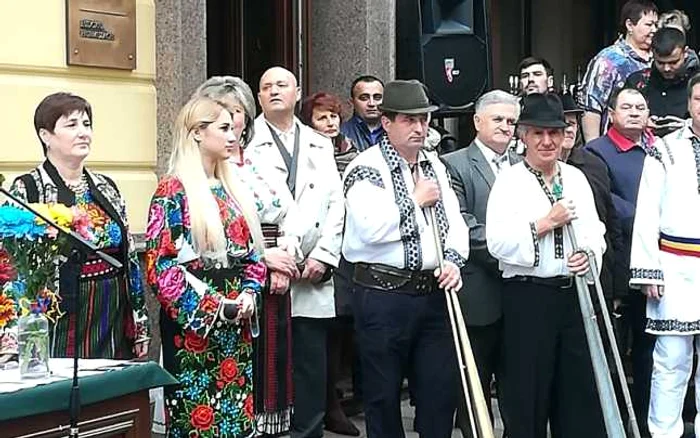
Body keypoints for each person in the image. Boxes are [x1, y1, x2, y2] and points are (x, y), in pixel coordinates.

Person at [343, 79, 469, 438]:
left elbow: (455, 223)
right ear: (386, 122)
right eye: (409, 120)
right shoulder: (364, 167)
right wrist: (414, 200)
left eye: (424, 120)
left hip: (432, 294)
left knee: (438, 395)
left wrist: (454, 262)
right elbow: (369, 228)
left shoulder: (435, 166)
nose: (419, 128)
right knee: (382, 398)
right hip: (383, 295)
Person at [145, 94, 267, 437]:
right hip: (195, 327)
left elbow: (254, 257)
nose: (234, 136)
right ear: (198, 132)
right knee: (197, 417)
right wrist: (215, 308)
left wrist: (248, 295)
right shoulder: (173, 189)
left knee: (235, 415)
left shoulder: (233, 187)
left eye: (235, 129)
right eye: (224, 128)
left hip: (237, 323)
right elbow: (161, 265)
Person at [486, 93, 606, 438]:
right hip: (528, 298)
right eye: (538, 133)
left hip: (572, 298)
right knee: (528, 394)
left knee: (578, 395)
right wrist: (544, 223)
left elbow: (596, 232)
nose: (547, 141)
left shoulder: (576, 178)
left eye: (554, 133)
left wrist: (588, 255)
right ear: (523, 136)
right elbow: (497, 243)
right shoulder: (510, 180)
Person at [2, 92, 149, 360]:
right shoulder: (27, 188)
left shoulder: (106, 186)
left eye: (86, 124)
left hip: (110, 308)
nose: (83, 133)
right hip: (59, 313)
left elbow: (129, 257)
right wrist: (13, 336)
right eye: (71, 125)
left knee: (110, 392)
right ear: (45, 136)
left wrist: (139, 322)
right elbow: (12, 266)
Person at [195, 76, 301, 437]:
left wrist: (287, 253)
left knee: (274, 370)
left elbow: (290, 212)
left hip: (272, 278)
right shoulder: (195, 176)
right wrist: (262, 256)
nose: (233, 121)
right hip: (233, 282)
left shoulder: (258, 162)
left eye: (238, 111)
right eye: (224, 114)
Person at [247, 67, 345, 438]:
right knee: (269, 369)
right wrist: (270, 256)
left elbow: (337, 206)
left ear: (297, 93)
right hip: (270, 271)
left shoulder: (320, 142)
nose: (274, 91)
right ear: (258, 98)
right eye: (266, 87)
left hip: (313, 272)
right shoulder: (244, 140)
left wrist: (323, 256)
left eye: (281, 85)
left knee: (310, 369)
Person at [441, 89, 520, 437]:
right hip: (478, 291)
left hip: (520, 294)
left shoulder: (524, 165)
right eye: (498, 119)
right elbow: (462, 225)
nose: (506, 127)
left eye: (512, 121)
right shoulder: (454, 164)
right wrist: (517, 251)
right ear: (477, 121)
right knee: (473, 386)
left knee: (517, 384)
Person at [584, 87, 662, 435]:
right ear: (610, 114)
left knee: (651, 351)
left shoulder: (660, 151)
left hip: (658, 263)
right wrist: (651, 216)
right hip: (618, 263)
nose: (634, 112)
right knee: (613, 348)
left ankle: (647, 423)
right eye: (626, 107)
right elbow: (605, 203)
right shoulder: (595, 152)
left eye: (641, 107)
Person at [630, 73, 700, 438]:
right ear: (689, 104)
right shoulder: (666, 147)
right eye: (699, 100)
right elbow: (646, 211)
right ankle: (663, 432)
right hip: (675, 264)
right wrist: (648, 270)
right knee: (671, 359)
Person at [300, 91, 360, 436]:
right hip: (317, 251)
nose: (330, 123)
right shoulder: (306, 153)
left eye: (334, 116)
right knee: (320, 335)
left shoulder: (351, 153)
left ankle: (335, 398)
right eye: (322, 117)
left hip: (349, 252)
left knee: (341, 330)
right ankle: (326, 404)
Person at [559, 92, 625, 305]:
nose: (569, 128)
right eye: (562, 123)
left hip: (596, 276)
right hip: (553, 281)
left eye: (572, 122)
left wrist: (617, 287)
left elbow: (610, 222)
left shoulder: (593, 164)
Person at [579, 0, 658, 141]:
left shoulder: (659, 59)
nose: (654, 30)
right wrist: (593, 148)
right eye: (648, 25)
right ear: (629, 25)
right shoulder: (609, 60)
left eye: (656, 25)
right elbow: (591, 105)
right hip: (615, 145)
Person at [625, 27, 699, 136]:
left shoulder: (697, 82)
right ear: (652, 54)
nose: (667, 68)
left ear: (685, 52)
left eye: (673, 62)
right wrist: (641, 122)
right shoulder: (638, 81)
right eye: (660, 63)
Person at [340, 75, 385, 151]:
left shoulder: (397, 132)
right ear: (352, 102)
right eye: (364, 98)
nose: (371, 103)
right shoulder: (342, 133)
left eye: (377, 98)